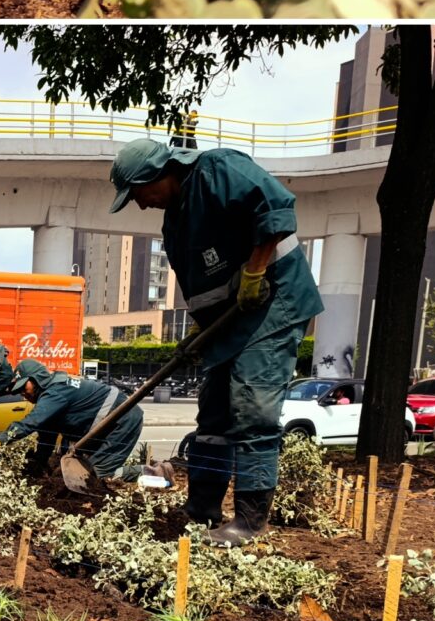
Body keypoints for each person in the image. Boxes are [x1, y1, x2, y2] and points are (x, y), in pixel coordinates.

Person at [109, 135, 322, 544]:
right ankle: (203, 508)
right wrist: (196, 335)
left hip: (273, 305)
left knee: (251, 408)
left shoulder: (219, 170)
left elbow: (276, 208)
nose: (139, 203)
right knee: (213, 414)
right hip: (229, 323)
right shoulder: (174, 225)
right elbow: (201, 292)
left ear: (159, 174)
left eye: (138, 193)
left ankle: (248, 523)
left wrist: (256, 270)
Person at [0, 357, 147, 483]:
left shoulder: (55, 392)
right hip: (110, 423)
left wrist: (0, 440)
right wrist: (37, 464)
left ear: (36, 379)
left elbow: (31, 422)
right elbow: (46, 436)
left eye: (24, 387)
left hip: (123, 419)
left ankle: (154, 473)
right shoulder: (53, 392)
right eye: (20, 391)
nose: (24, 394)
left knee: (97, 476)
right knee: (86, 469)